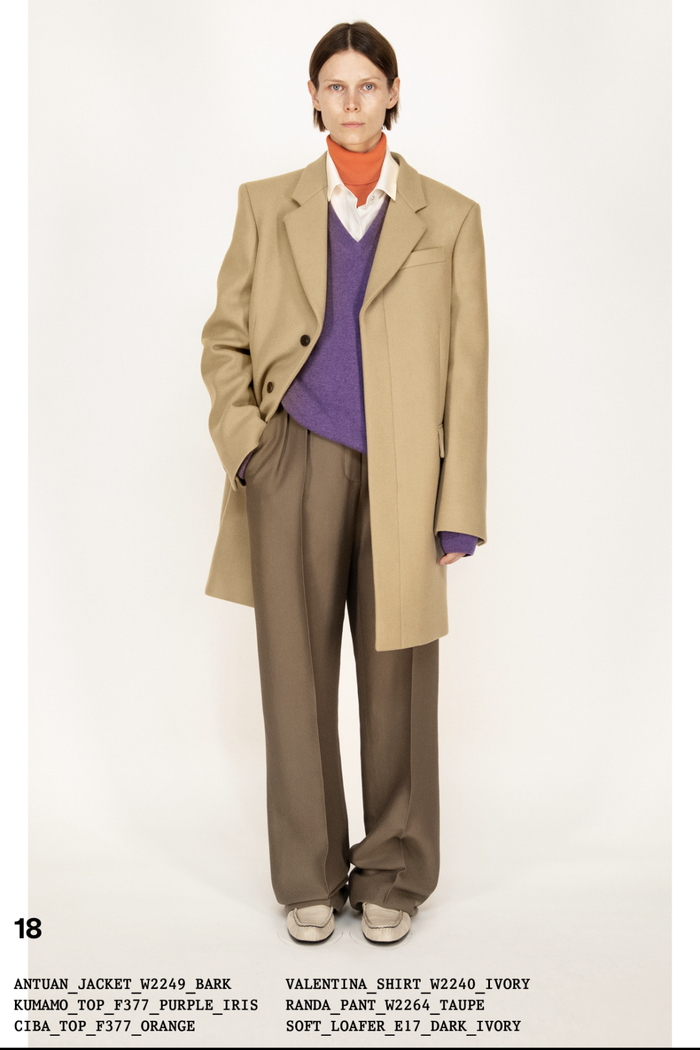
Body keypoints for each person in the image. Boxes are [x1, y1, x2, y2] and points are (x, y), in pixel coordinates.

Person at [201, 21, 488, 944]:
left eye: (369, 85)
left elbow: (468, 372)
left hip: (408, 473)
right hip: (293, 458)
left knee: (398, 671)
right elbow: (224, 342)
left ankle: (394, 872)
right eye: (336, 85)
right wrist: (252, 449)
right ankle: (309, 874)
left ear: (394, 93)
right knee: (294, 675)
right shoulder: (265, 204)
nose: (352, 101)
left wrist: (458, 509)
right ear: (314, 97)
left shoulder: (451, 217)